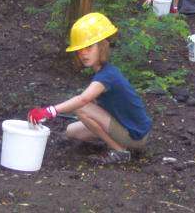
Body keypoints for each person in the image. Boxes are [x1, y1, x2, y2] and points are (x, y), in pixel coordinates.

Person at [27, 12, 152, 165]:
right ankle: (119, 144)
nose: (83, 53)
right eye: (80, 50)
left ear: (101, 46)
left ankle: (119, 151)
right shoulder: (105, 72)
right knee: (71, 131)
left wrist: (49, 111)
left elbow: (83, 100)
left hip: (135, 135)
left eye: (89, 47)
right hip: (128, 128)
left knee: (82, 108)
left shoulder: (107, 76)